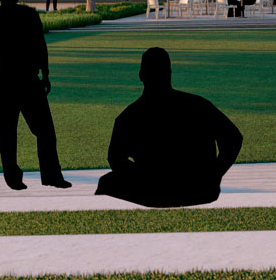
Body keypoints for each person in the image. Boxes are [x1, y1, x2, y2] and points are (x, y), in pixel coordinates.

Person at [96, 47, 243, 208]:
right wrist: (214, 173)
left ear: (141, 75)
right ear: (169, 72)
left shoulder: (128, 117)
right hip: (199, 190)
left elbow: (115, 160)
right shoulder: (198, 105)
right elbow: (233, 138)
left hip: (153, 192)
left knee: (106, 182)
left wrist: (143, 176)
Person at [0, 0, 71, 191]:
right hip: (29, 79)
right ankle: (52, 176)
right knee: (45, 131)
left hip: (4, 81)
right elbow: (41, 46)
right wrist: (45, 74)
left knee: (7, 133)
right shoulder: (29, 15)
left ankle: (13, 178)